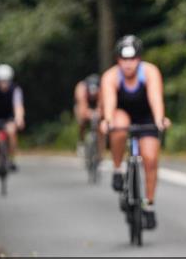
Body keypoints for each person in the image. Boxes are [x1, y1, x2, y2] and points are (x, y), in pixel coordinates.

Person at [98, 36, 170, 229]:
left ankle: (149, 204)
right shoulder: (111, 77)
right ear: (118, 60)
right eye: (124, 59)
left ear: (139, 59)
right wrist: (107, 121)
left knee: (150, 159)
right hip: (122, 114)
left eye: (132, 59)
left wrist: (159, 120)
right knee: (119, 126)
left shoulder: (150, 72)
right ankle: (117, 168)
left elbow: (155, 98)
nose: (128, 64)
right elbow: (110, 102)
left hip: (146, 117)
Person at [73, 73, 102, 156]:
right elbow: (82, 107)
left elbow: (102, 104)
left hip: (96, 105)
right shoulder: (81, 88)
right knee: (81, 122)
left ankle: (99, 150)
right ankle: (81, 142)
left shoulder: (102, 88)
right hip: (83, 104)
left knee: (101, 124)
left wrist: (98, 113)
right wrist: (88, 114)